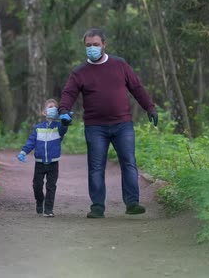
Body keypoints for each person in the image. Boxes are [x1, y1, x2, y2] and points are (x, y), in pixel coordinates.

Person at [58, 27, 158, 219]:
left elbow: (136, 87)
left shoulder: (119, 65)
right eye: (88, 46)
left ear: (104, 44)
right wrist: (63, 110)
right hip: (95, 127)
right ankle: (97, 206)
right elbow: (69, 93)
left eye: (96, 44)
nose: (92, 48)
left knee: (129, 162)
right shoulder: (79, 72)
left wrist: (150, 107)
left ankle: (132, 203)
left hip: (123, 125)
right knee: (96, 167)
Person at [17, 98, 69, 217]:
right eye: (50, 107)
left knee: (51, 186)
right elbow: (31, 142)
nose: (53, 109)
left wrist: (65, 121)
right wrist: (23, 152)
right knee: (37, 185)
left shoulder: (58, 127)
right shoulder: (38, 128)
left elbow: (64, 129)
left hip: (53, 163)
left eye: (55, 108)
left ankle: (48, 209)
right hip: (39, 163)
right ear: (44, 112)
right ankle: (40, 201)